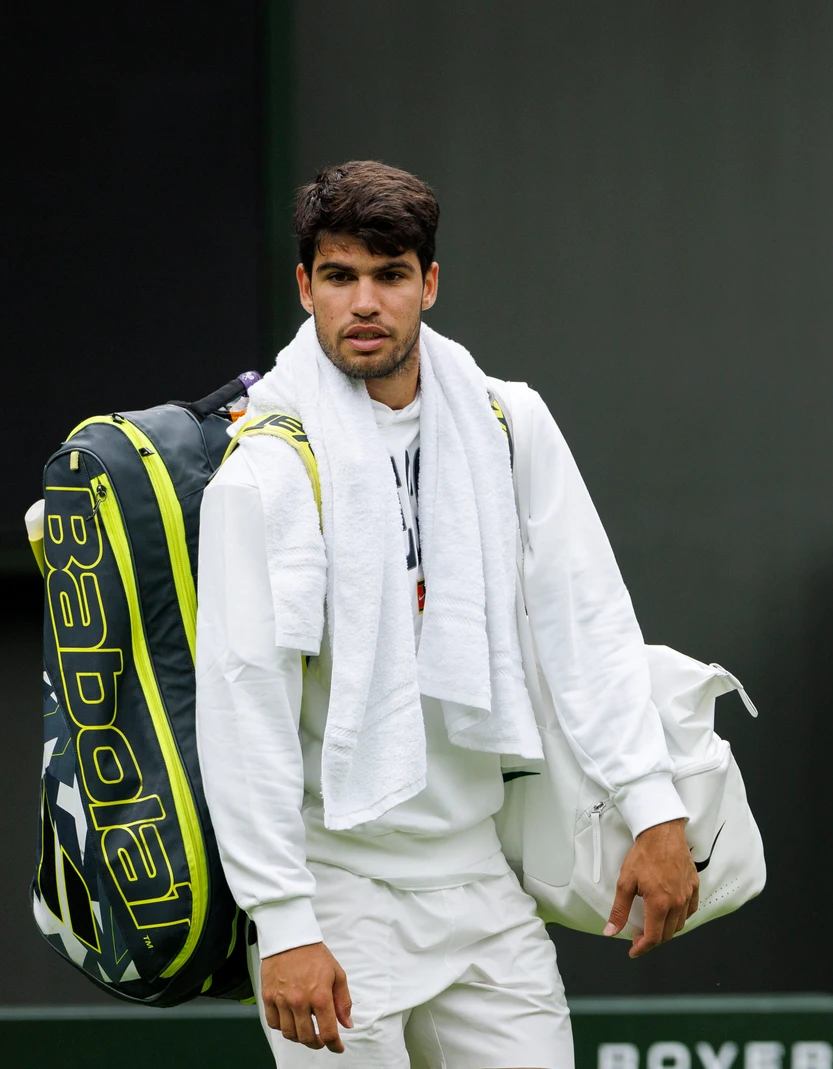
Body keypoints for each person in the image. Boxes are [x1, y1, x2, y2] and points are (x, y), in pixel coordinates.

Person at [196, 161, 698, 1066]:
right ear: (305, 286)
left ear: (428, 283)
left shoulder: (508, 420)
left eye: (389, 275)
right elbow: (243, 707)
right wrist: (283, 918)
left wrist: (655, 806)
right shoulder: (263, 468)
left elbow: (587, 618)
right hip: (334, 890)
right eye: (340, 276)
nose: (364, 303)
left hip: (479, 878)